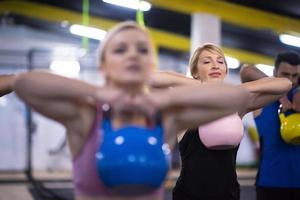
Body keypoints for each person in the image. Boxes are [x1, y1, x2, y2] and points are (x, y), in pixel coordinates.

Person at [13, 22, 251, 200]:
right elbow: (25, 83)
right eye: (120, 49)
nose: (132, 54)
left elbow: (235, 97)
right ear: (103, 65)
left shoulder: (165, 118)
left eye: (142, 49)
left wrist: (160, 100)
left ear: (150, 66)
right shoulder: (86, 116)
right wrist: (99, 93)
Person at [149, 44, 292, 200]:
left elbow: (285, 84)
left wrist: (239, 89)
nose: (215, 65)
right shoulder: (184, 106)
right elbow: (152, 79)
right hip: (189, 195)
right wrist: (203, 86)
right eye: (207, 61)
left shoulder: (237, 105)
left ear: (225, 70)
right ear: (195, 72)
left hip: (228, 195)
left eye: (220, 61)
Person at [240, 51, 300, 200]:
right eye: (285, 74)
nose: (291, 81)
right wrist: (281, 93)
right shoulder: (263, 98)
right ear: (274, 72)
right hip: (270, 185)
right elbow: (246, 71)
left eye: (295, 76)